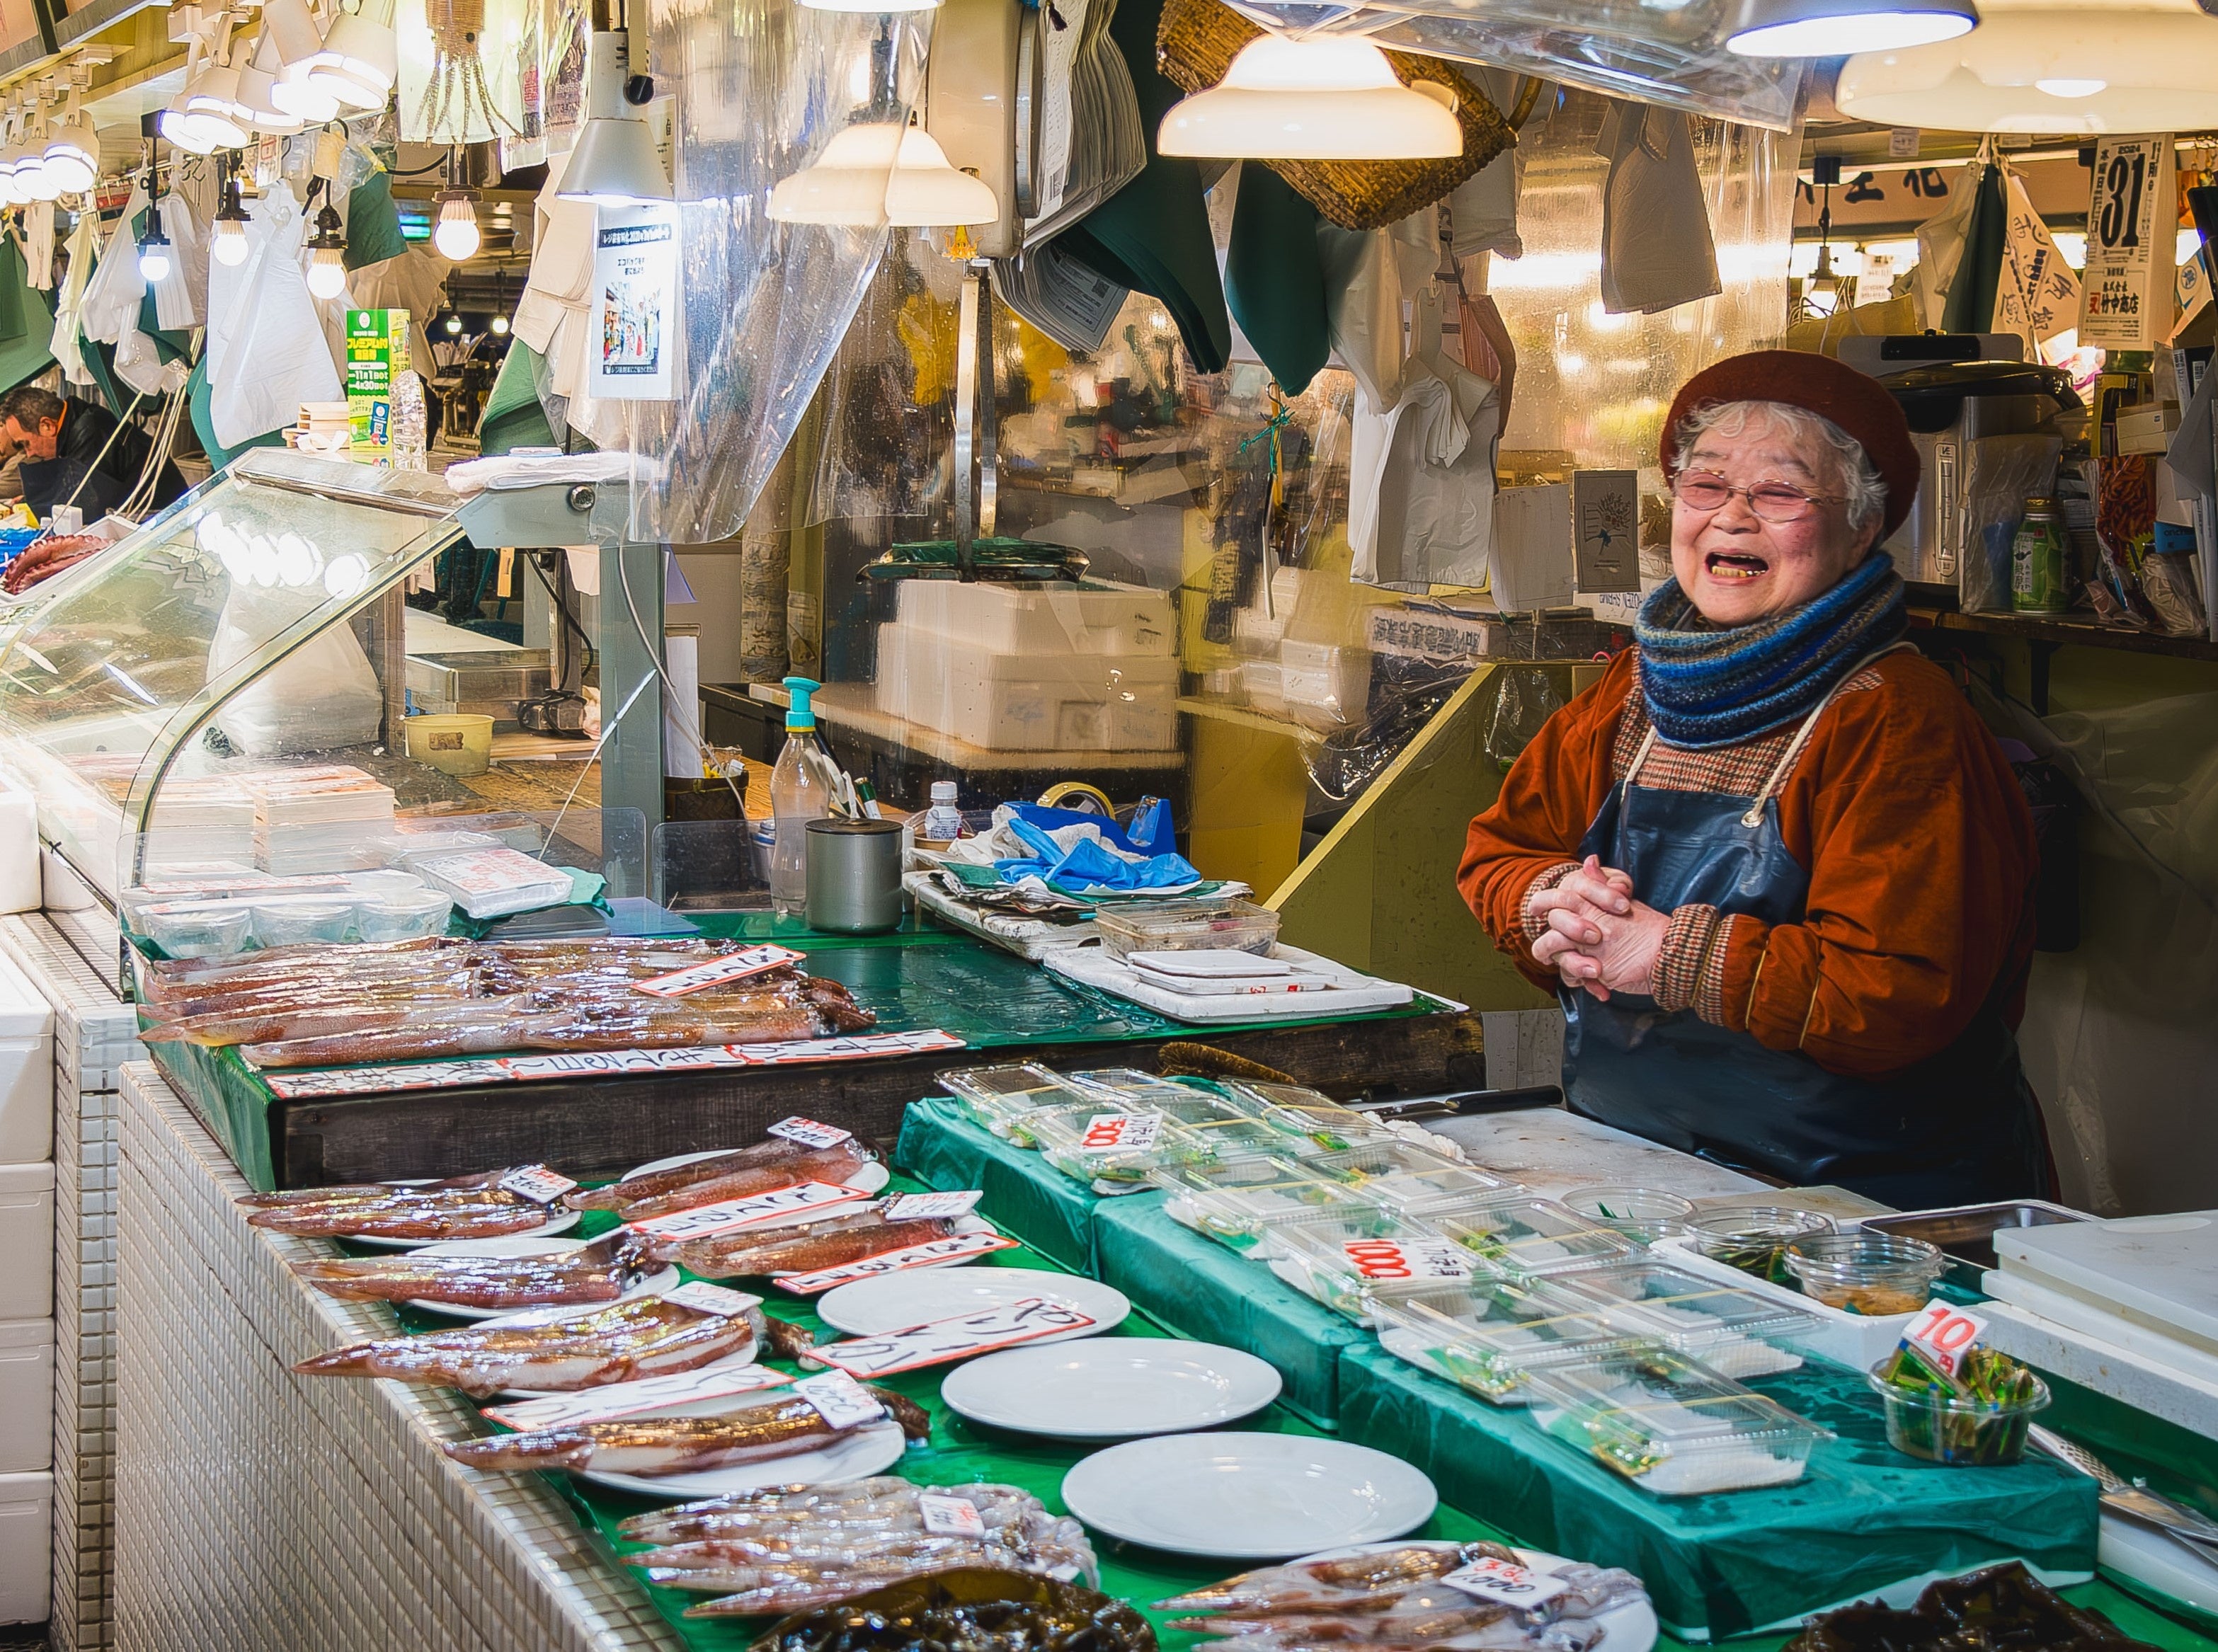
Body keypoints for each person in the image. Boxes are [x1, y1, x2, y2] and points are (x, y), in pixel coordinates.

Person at [1458, 350, 2048, 1208]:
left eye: (1779, 494)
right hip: (1639, 1172)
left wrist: (1668, 955)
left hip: (1866, 1211)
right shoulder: (1634, 692)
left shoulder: (1895, 716)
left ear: (1860, 528)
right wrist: (1547, 903)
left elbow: (1896, 994)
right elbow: (1499, 850)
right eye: (1704, 487)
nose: (1730, 519)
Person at [0, 385, 189, 520]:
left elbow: (85, 507)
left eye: (26, 444)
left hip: (167, 520)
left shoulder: (90, 430)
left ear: (47, 426)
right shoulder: (79, 423)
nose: (29, 453)